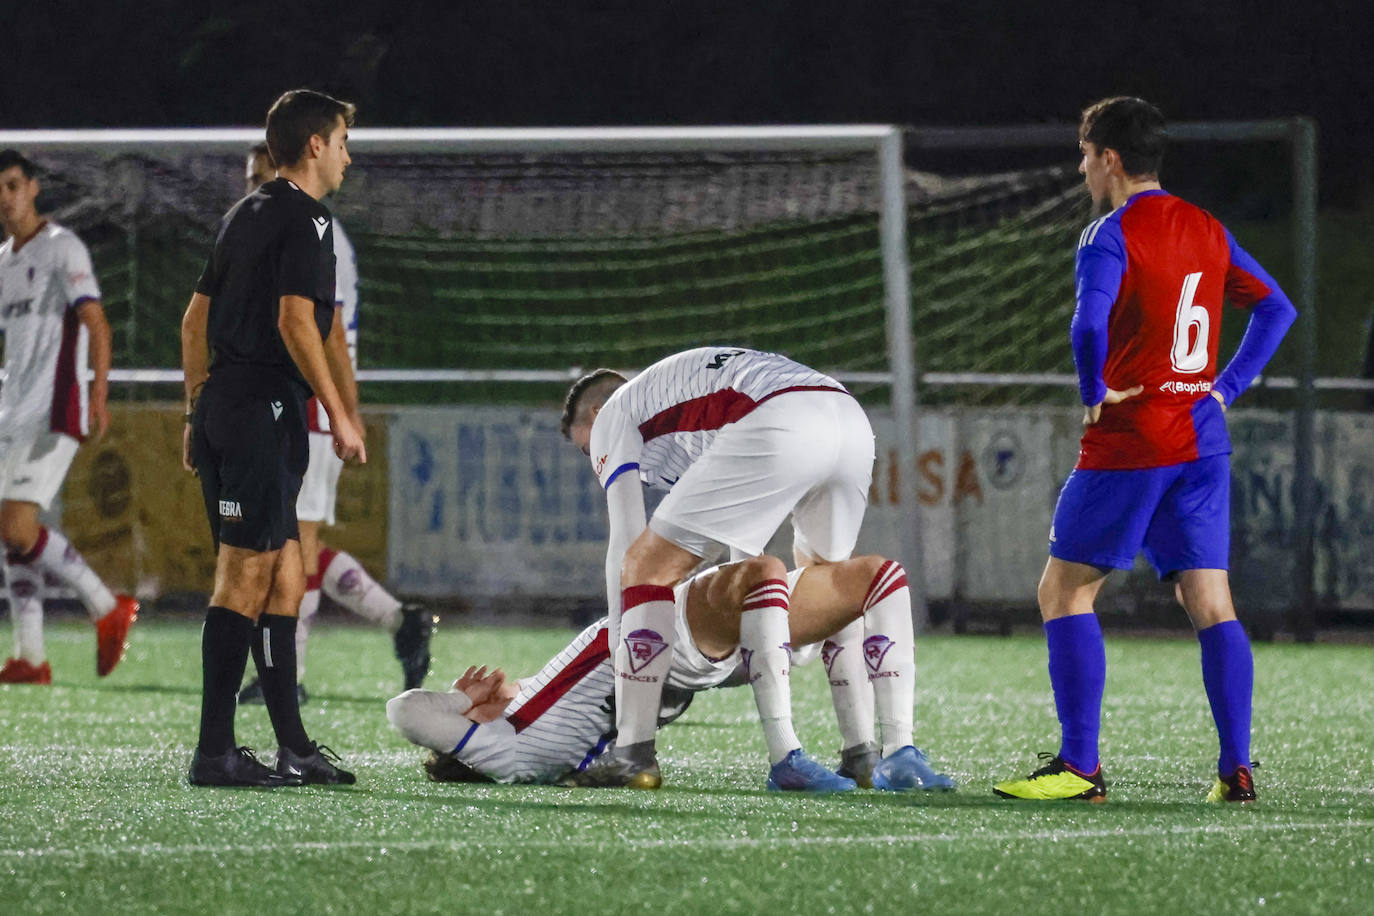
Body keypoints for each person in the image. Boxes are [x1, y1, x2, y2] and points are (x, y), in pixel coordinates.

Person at [993, 97, 1296, 804]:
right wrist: (1225, 387)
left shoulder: (1110, 233)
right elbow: (1277, 306)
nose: (1081, 167)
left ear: (1110, 157)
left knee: (1063, 590)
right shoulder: (1206, 226)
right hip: (1201, 440)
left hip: (1133, 438)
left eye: (1084, 153)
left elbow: (1086, 324)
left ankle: (1080, 768)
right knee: (1212, 602)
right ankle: (1236, 769)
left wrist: (1093, 386)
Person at [560, 347, 876, 789]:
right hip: (849, 416)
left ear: (596, 412)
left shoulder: (614, 414)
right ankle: (866, 754)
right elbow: (745, 558)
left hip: (781, 415)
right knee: (830, 584)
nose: (593, 459)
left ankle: (633, 753)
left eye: (585, 447)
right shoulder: (686, 418)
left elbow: (627, 545)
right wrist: (764, 632)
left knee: (643, 567)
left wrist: (620, 646)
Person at [387, 554, 954, 791]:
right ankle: (790, 758)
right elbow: (405, 709)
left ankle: (877, 755)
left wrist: (480, 703)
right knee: (761, 570)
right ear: (469, 751)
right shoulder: (508, 754)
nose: (472, 688)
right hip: (669, 641)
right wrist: (463, 710)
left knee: (877, 577)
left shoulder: (525, 717)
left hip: (686, 651)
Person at [181, 90, 366, 787]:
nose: (348, 156)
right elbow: (298, 322)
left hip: (232, 407)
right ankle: (213, 752)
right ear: (314, 145)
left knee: (287, 575)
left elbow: (192, 324)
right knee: (244, 578)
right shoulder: (310, 220)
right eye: (343, 141)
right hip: (264, 409)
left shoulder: (243, 212)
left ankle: (294, 746)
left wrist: (194, 414)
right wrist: (341, 413)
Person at [236, 142, 434, 706]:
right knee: (285, 539)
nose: (256, 189)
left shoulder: (318, 236)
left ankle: (288, 676)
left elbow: (328, 333)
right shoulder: (267, 238)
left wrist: (344, 410)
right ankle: (400, 622)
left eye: (265, 176)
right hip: (272, 402)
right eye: (250, 178)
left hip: (307, 406)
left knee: (293, 541)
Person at [0, 149, 139, 685]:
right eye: (0, 190)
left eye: (14, 186)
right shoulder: (5, 260)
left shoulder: (62, 247)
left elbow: (96, 322)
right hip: (13, 414)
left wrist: (98, 390)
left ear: (33, 188)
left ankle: (107, 606)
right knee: (12, 534)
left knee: (16, 525)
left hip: (54, 412)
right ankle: (30, 657)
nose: (7, 199)